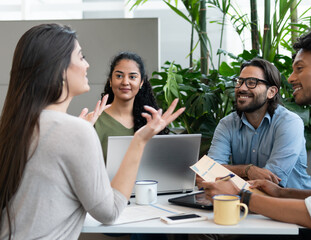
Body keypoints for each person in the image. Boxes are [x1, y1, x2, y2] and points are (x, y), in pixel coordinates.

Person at [0, 23, 184, 240]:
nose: (87, 65)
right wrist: (139, 141)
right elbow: (109, 212)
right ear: (59, 68)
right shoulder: (75, 130)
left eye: (133, 77)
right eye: (81, 57)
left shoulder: (16, 125)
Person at [201, 26, 311, 239]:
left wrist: (241, 195)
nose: (291, 77)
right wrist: (282, 193)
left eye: (299, 68)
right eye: (240, 82)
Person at [200, 58, 311, 189]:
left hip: (293, 204)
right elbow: (210, 172)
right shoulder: (227, 124)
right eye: (239, 82)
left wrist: (226, 175)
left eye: (252, 83)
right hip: (244, 203)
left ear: (271, 92)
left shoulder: (289, 123)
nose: (242, 88)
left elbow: (270, 181)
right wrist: (247, 170)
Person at [94, 51, 167, 161]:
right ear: (110, 80)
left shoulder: (151, 121)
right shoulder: (95, 121)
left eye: (132, 77)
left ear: (141, 82)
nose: (125, 82)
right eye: (119, 76)